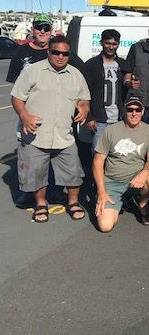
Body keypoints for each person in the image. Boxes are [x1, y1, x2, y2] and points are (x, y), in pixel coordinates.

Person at [7, 14, 85, 208]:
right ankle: (30, 196)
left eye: (46, 28)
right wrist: (24, 115)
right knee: (32, 165)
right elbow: (17, 92)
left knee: (64, 164)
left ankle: (57, 193)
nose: (42, 31)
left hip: (60, 126)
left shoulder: (68, 59)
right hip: (32, 122)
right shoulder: (23, 55)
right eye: (39, 27)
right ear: (33, 29)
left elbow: (83, 84)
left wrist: (84, 106)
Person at [93, 96, 149, 232]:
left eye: (138, 109)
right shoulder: (110, 130)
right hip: (112, 182)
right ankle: (121, 201)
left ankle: (142, 202)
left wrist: (144, 173)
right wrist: (101, 191)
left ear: (143, 111)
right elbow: (97, 161)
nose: (134, 113)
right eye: (130, 109)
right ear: (124, 110)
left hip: (136, 179)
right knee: (105, 226)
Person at [84, 29, 128, 152]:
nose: (111, 47)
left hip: (119, 120)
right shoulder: (91, 65)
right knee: (98, 155)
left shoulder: (123, 65)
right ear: (101, 43)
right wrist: (89, 117)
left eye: (114, 44)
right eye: (108, 43)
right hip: (99, 121)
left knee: (118, 155)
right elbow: (84, 93)